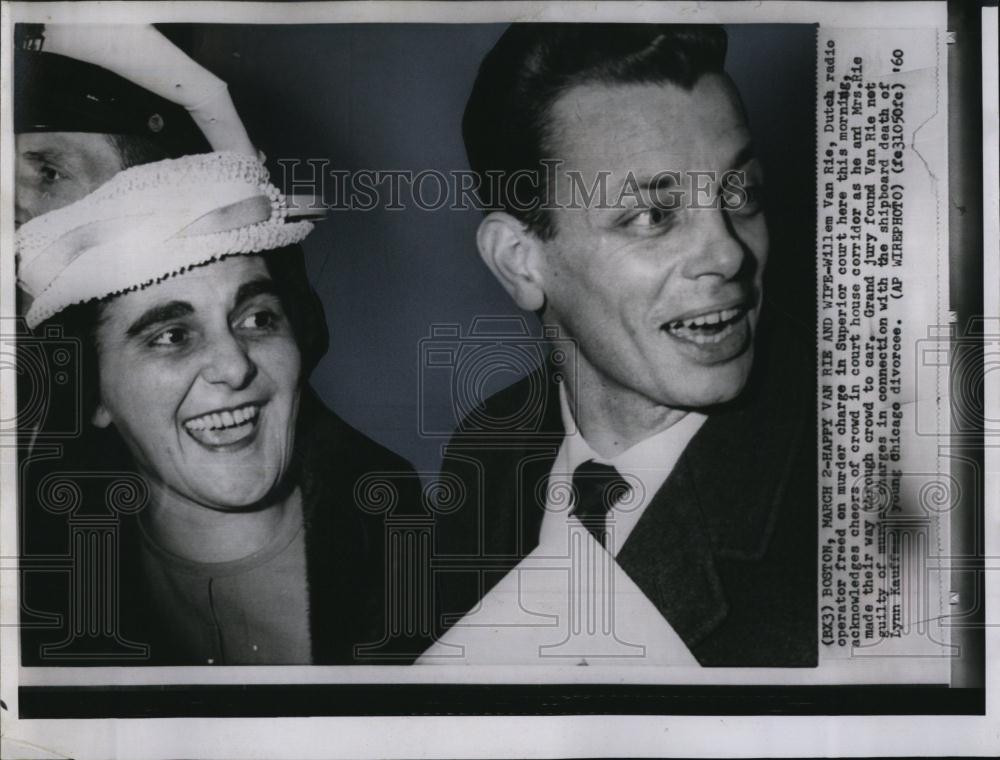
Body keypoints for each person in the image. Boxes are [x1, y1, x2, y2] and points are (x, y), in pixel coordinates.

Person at [428, 24, 816, 666]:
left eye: (738, 193)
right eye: (653, 215)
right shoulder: (487, 449)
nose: (727, 252)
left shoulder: (866, 488)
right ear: (521, 262)